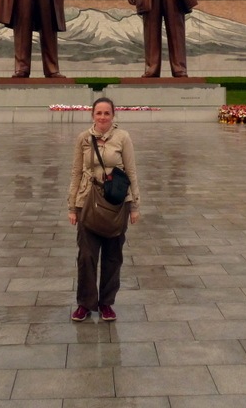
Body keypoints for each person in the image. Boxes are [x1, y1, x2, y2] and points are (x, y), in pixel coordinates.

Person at [67, 97, 140, 322]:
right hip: (87, 202)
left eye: (106, 113)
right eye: (98, 113)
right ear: (92, 115)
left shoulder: (122, 138)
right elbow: (76, 173)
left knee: (112, 257)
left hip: (116, 204)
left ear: (113, 115)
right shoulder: (83, 139)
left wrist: (134, 205)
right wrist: (72, 206)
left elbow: (131, 171)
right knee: (86, 257)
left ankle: (107, 303)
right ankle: (85, 304)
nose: (102, 117)